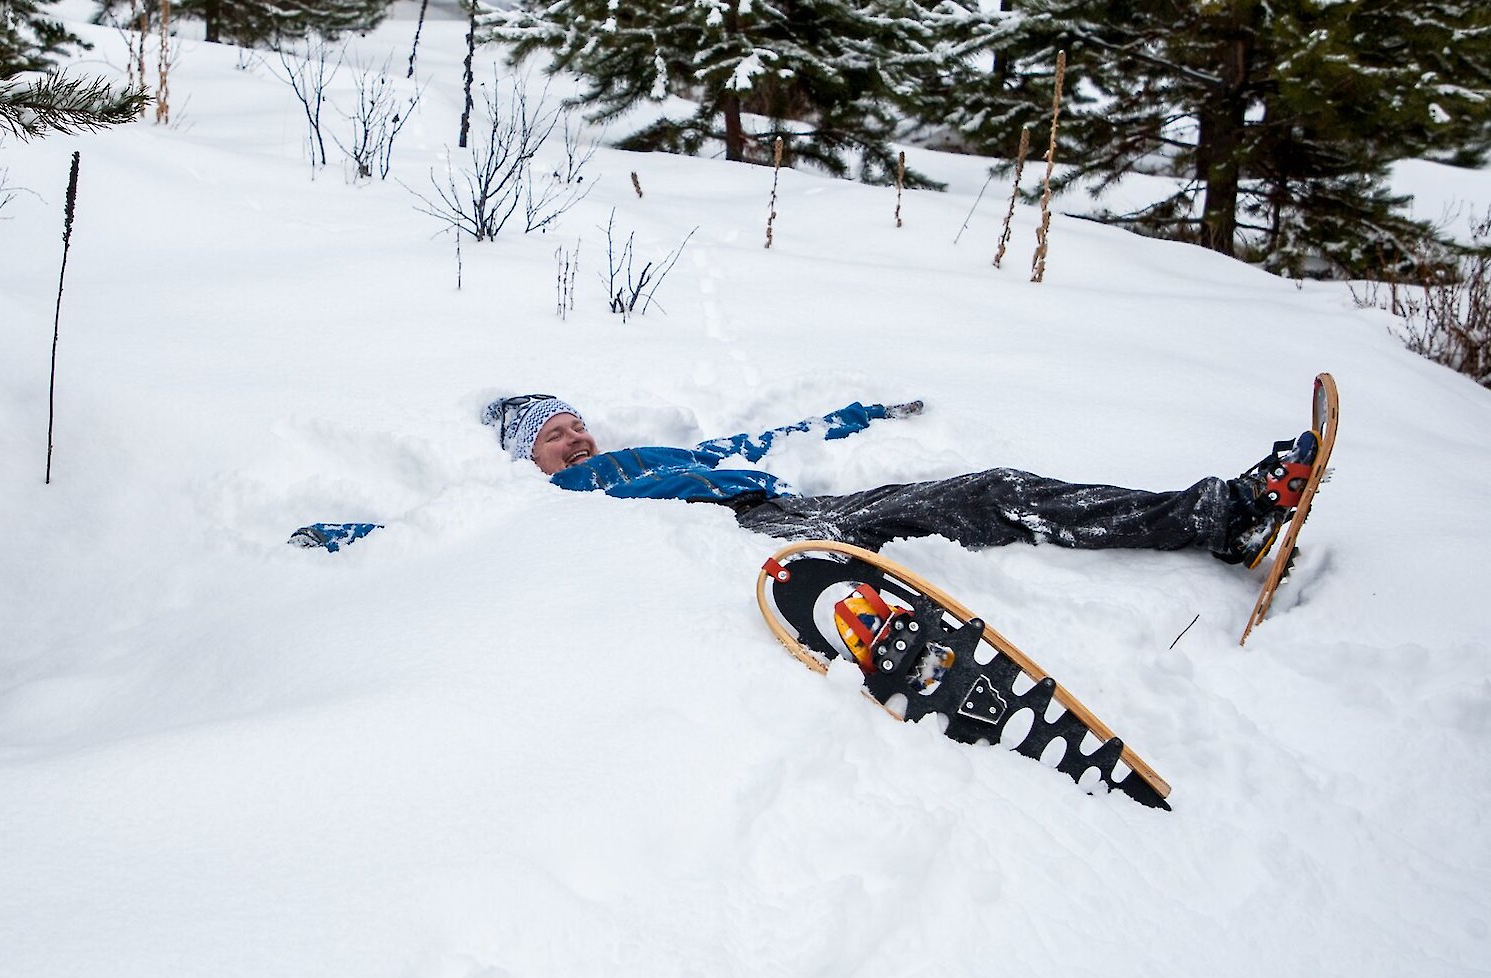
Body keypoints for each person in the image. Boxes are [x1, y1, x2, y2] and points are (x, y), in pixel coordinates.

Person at [291, 394, 1318, 567]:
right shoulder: (529, 500)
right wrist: (327, 537)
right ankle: (1212, 519)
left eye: (573, 421)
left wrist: (860, 414)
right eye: (551, 435)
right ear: (524, 456)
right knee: (973, 499)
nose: (572, 436)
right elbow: (421, 538)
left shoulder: (647, 453)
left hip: (772, 508)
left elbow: (773, 431)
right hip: (738, 545)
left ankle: (1216, 513)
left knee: (986, 482)